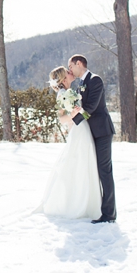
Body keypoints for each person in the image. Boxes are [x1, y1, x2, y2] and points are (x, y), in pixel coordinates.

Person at [36, 66, 102, 219]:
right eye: (68, 72)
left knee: (83, 162)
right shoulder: (63, 94)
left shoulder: (69, 92)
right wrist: (75, 114)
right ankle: (76, 203)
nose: (70, 72)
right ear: (64, 78)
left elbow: (81, 112)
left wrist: (83, 113)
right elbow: (62, 119)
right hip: (78, 131)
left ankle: (88, 201)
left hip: (82, 128)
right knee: (78, 163)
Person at [68, 54, 117, 224]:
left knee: (105, 171)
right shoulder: (81, 83)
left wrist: (73, 122)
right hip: (91, 133)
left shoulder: (95, 80)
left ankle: (109, 214)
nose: (70, 70)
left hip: (102, 131)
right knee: (95, 170)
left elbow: (91, 107)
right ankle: (98, 208)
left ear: (79, 63)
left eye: (71, 66)